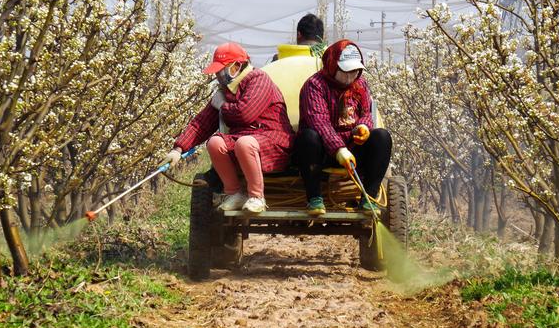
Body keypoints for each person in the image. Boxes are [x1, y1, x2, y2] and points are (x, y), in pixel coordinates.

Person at [161, 42, 295, 213]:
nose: (218, 75)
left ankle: (256, 196)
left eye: (221, 69)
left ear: (237, 66)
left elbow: (245, 113)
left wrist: (223, 106)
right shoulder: (226, 90)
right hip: (244, 142)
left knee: (245, 143)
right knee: (215, 142)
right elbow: (202, 123)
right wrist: (178, 149)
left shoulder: (259, 80)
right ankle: (233, 193)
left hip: (273, 142)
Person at [294, 40, 392, 216]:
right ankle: (314, 197)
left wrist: (363, 127)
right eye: (345, 71)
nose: (350, 77)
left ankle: (368, 197)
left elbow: (366, 112)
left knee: (382, 137)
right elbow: (319, 121)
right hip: (322, 153)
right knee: (308, 137)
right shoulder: (315, 85)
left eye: (354, 71)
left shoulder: (360, 84)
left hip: (352, 151)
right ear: (332, 66)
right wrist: (339, 149)